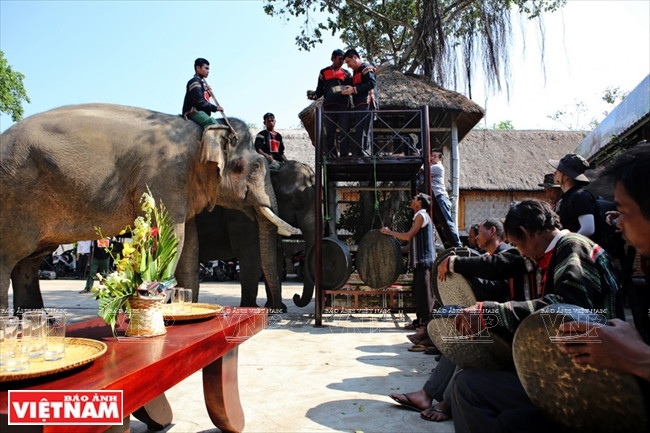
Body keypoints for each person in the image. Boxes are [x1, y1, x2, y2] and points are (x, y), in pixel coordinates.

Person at [449, 198, 622, 433]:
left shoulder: (573, 249)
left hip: (587, 380)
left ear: (525, 232)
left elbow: (566, 309)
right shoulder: (559, 250)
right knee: (470, 378)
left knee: (469, 387)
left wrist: (489, 312)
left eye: (516, 244)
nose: (519, 252)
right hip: (567, 368)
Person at [390, 219, 529, 423]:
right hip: (497, 320)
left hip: (511, 326)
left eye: (479, 232)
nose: (476, 237)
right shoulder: (496, 255)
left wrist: (456, 264)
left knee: (469, 339)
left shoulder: (508, 254)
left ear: (492, 231)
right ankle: (428, 395)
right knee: (461, 332)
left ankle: (445, 402)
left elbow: (497, 286)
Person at [381, 193, 435, 330]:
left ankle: (427, 325)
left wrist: (389, 232)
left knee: (425, 294)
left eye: (415, 198)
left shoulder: (421, 216)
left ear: (420, 203)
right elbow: (411, 244)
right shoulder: (419, 217)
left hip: (424, 260)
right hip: (419, 261)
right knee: (418, 292)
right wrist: (396, 251)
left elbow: (408, 236)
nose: (412, 199)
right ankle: (419, 321)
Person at [307, 49, 352, 158]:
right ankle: (332, 155)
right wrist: (313, 96)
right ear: (333, 58)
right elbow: (319, 90)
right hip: (328, 107)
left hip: (344, 107)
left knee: (344, 132)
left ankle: (344, 156)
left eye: (343, 60)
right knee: (330, 133)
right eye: (340, 59)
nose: (342, 61)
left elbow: (351, 88)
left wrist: (341, 88)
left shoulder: (347, 73)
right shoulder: (323, 72)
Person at [549, 154, 597, 239]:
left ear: (567, 176)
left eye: (559, 170)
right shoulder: (566, 198)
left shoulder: (580, 196)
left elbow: (588, 229)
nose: (555, 172)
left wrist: (568, 243)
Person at [341, 49, 376, 156]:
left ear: (355, 57)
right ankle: (361, 153)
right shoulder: (356, 72)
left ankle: (364, 154)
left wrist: (353, 90)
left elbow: (371, 83)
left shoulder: (366, 68)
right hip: (359, 105)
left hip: (366, 103)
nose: (348, 65)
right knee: (360, 129)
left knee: (363, 129)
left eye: (348, 62)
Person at [430, 150, 462, 247]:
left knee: (448, 222)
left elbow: (424, 170)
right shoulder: (434, 166)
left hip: (440, 197)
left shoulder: (437, 167)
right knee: (442, 223)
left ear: (440, 159)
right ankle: (449, 242)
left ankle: (458, 245)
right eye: (431, 156)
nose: (432, 158)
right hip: (437, 197)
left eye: (435, 156)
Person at [182, 58, 224, 129]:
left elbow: (202, 98)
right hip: (193, 112)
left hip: (200, 112)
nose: (208, 71)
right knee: (212, 123)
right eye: (206, 68)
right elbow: (200, 102)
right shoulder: (195, 82)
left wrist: (207, 92)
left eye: (208, 69)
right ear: (198, 68)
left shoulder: (201, 83)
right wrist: (215, 108)